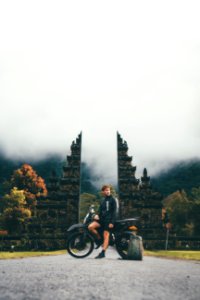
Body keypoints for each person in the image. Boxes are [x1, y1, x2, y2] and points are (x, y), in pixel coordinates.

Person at [88, 185, 117, 259]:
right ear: (103, 192)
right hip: (101, 220)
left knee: (106, 235)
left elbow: (114, 212)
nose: (108, 191)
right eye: (106, 190)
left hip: (108, 221)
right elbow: (100, 211)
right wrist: (96, 216)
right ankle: (99, 239)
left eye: (109, 190)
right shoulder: (103, 200)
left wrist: (112, 222)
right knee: (90, 227)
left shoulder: (113, 200)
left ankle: (103, 253)